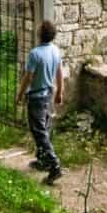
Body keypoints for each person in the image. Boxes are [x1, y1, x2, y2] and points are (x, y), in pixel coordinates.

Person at [16, 19, 63, 184]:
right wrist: (60, 93)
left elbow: (28, 77)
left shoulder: (35, 54)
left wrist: (20, 94)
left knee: (39, 132)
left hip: (36, 97)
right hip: (49, 95)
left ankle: (54, 165)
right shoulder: (56, 51)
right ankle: (42, 161)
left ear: (39, 35)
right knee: (45, 128)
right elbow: (59, 73)